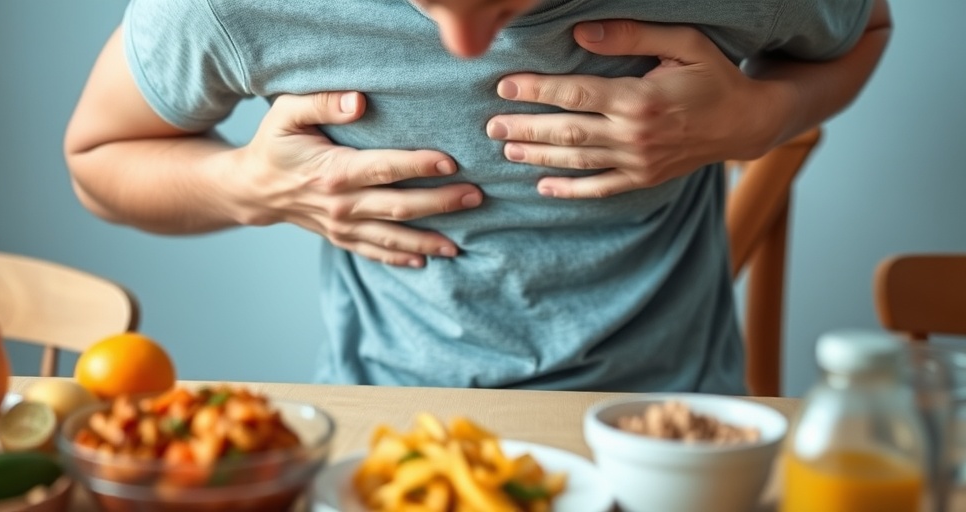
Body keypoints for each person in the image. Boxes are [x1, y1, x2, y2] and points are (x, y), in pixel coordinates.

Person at [64, 0, 891, 393]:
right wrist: (250, 188)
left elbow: (870, 25)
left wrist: (759, 120)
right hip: (386, 428)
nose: (466, 42)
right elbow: (97, 158)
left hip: (671, 427)